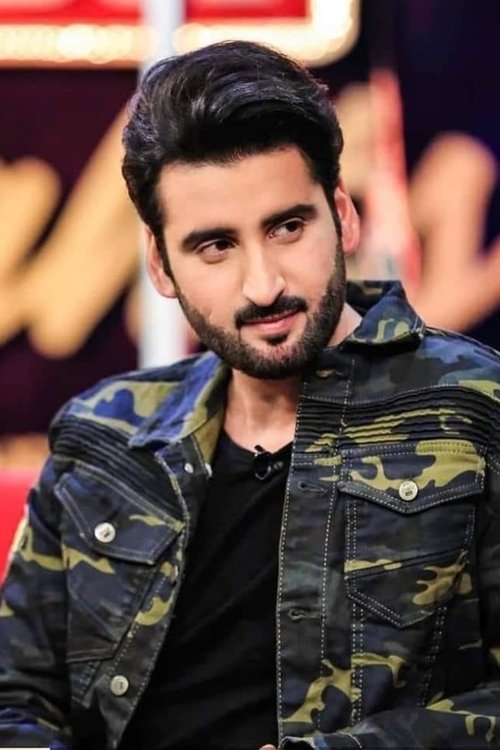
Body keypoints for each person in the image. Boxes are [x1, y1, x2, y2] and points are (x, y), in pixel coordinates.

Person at [0, 40, 500, 750]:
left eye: (287, 227)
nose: (263, 285)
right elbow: (16, 698)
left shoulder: (476, 408)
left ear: (343, 216)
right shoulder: (102, 437)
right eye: (215, 246)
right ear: (160, 264)